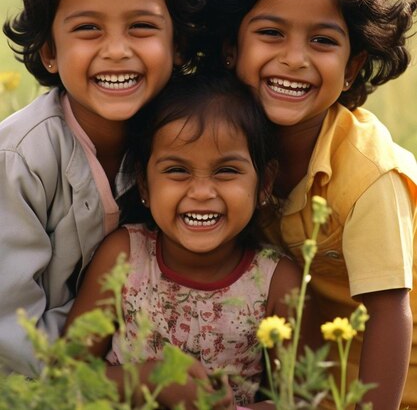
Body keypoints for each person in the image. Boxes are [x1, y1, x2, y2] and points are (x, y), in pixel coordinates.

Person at [198, 0, 417, 410]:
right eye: (271, 33)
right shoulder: (228, 147)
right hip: (308, 392)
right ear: (231, 49)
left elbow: (390, 315)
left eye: (322, 41)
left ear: (353, 66)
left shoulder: (368, 177)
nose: (294, 59)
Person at [0, 0, 198, 376]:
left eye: (142, 27)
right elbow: (8, 330)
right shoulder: (21, 159)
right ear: (49, 50)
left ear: (178, 43)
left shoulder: (185, 138)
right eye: (88, 28)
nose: (116, 50)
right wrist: (115, 383)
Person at [65, 71, 318, 410]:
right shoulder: (124, 257)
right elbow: (65, 374)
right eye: (177, 171)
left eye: (226, 171)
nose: (201, 192)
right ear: (143, 183)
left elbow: (302, 399)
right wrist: (148, 381)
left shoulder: (276, 282)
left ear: (265, 184)